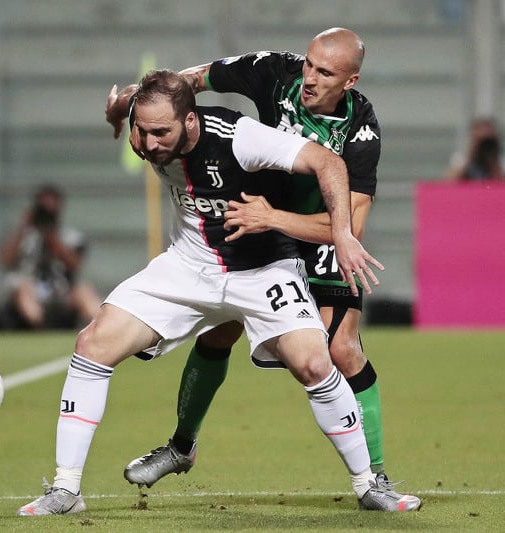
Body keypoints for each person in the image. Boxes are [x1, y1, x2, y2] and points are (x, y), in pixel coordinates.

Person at [18, 70, 418, 516]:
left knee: (314, 362)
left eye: (160, 133)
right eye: (141, 131)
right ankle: (66, 490)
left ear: (191, 121)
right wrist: (117, 112)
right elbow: (132, 99)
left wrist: (341, 233)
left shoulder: (241, 137)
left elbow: (329, 163)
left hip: (263, 271)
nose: (149, 144)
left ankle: (368, 485)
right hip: (188, 268)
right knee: (92, 344)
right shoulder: (144, 122)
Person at [106, 28, 407, 496]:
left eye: (324, 72)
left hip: (316, 228)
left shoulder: (360, 129)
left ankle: (376, 473)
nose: (309, 77)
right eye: (309, 63)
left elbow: (346, 230)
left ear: (350, 81)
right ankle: (181, 446)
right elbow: (191, 83)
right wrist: (132, 101)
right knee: (217, 329)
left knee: (341, 350)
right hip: (254, 222)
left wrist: (276, 218)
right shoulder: (273, 71)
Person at [0, 184, 101, 329]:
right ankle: (40, 327)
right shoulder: (24, 237)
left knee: (84, 290)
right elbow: (5, 260)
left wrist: (52, 238)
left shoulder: (70, 237)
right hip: (31, 290)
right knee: (22, 289)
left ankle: (102, 328)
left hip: (62, 292)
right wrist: (24, 228)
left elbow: (75, 265)